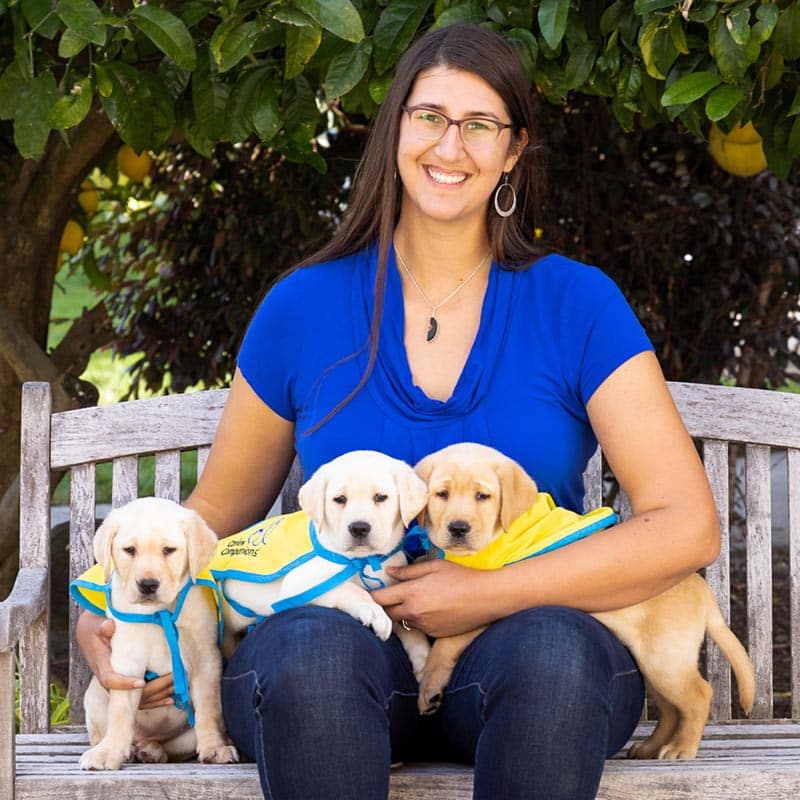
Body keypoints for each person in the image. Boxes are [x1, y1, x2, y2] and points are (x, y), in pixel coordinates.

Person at [77, 22, 720, 799]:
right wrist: (103, 607)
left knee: (553, 647)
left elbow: (686, 524)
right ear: (394, 131)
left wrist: (486, 592)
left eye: (480, 125)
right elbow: (212, 516)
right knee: (310, 643)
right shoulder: (303, 308)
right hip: (338, 665)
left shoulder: (576, 305)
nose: (450, 147)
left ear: (514, 150)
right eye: (429, 118)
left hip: (527, 666)